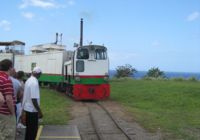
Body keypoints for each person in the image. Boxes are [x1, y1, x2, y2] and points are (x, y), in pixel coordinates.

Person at [22, 66, 43, 140]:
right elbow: (34, 99)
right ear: (38, 73)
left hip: (27, 109)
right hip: (32, 110)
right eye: (40, 74)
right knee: (33, 132)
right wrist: (39, 111)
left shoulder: (28, 80)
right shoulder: (34, 82)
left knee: (29, 131)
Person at [0, 59, 16, 140]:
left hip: (0, 112)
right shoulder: (6, 80)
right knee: (7, 135)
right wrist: (13, 113)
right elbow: (8, 99)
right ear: (10, 68)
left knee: (1, 134)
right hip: (6, 114)